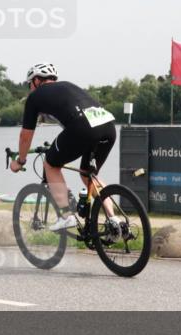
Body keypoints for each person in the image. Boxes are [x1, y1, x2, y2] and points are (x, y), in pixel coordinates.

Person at [9, 63, 117, 231]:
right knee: (89, 175)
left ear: (36, 81)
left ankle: (67, 216)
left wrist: (20, 161)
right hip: (108, 126)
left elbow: (25, 135)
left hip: (84, 127)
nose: (29, 88)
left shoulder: (35, 97)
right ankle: (114, 220)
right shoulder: (68, 86)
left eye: (29, 83)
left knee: (51, 164)